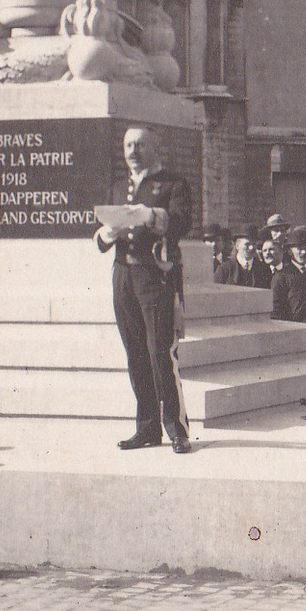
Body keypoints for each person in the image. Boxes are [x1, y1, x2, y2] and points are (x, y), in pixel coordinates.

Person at [95, 127, 192, 453]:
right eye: (128, 145)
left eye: (140, 145)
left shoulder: (173, 184)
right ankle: (147, 428)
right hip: (123, 275)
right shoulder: (118, 187)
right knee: (135, 354)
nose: (133, 151)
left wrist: (150, 215)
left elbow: (182, 221)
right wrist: (107, 235)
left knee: (160, 353)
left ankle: (176, 429)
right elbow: (98, 236)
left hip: (155, 275)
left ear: (154, 148)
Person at [271, 226, 306, 325]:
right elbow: (276, 310)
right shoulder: (282, 276)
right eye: (299, 248)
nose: (303, 252)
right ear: (290, 250)